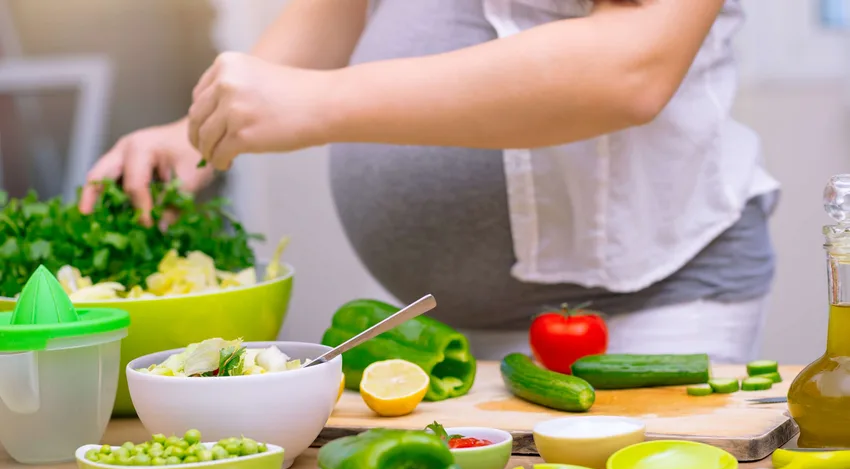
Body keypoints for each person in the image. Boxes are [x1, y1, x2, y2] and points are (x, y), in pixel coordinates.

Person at [80, 0, 779, 362]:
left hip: (634, 317)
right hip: (445, 331)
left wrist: (318, 104)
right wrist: (199, 131)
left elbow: (636, 64)